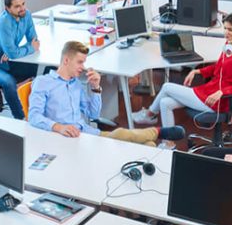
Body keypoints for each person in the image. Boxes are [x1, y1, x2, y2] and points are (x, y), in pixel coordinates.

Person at [29, 41, 185, 146]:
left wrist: (96, 88)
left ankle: (156, 134)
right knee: (124, 135)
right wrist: (59, 127)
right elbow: (34, 116)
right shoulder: (43, 82)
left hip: (87, 134)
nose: (83, 67)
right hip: (65, 138)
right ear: (66, 61)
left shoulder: (75, 83)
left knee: (147, 144)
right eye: (80, 62)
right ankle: (158, 132)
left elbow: (93, 114)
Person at [132, 12, 232, 127]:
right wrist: (197, 71)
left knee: (167, 87)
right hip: (209, 90)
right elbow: (218, 67)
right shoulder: (229, 44)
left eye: (230, 30)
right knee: (165, 103)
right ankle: (168, 139)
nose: (226, 33)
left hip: (219, 101)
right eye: (225, 28)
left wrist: (222, 92)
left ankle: (149, 115)